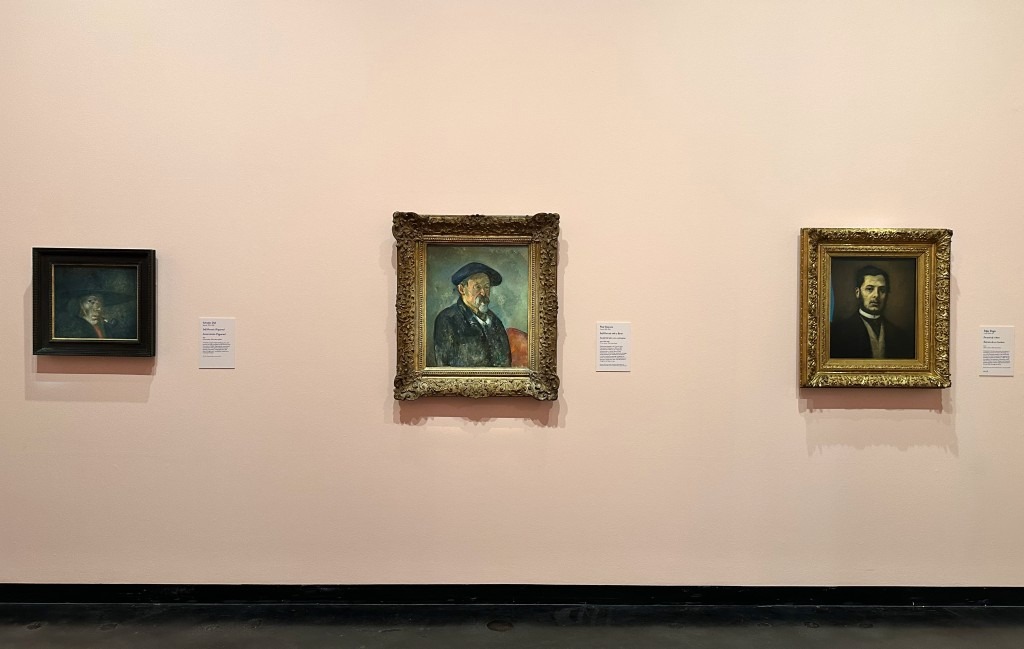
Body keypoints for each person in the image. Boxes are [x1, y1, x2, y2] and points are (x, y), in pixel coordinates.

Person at [433, 262, 511, 367]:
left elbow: (506, 363)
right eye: (477, 287)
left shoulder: (495, 321)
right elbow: (444, 368)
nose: (483, 293)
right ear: (462, 289)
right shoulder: (447, 319)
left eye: (487, 287)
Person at [830, 265, 914, 359]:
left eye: (882, 290)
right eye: (869, 289)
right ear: (858, 292)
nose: (876, 295)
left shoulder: (899, 336)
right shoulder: (839, 333)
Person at [54, 276, 136, 340]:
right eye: (91, 302)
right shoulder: (71, 330)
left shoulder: (107, 329)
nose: (98, 308)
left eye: (100, 303)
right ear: (79, 304)